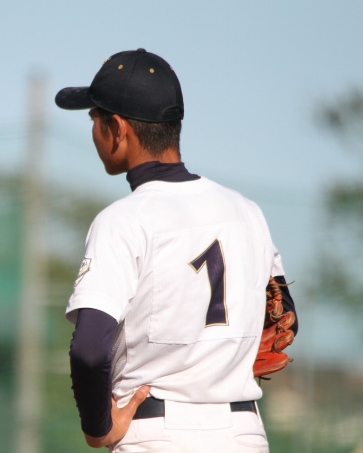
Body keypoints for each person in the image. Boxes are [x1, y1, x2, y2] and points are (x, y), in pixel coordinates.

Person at [55, 49, 297, 452]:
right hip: (244, 435)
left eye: (94, 118)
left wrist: (98, 429)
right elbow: (286, 317)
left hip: (157, 433)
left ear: (117, 128)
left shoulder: (123, 220)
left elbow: (90, 350)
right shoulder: (247, 212)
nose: (93, 130)